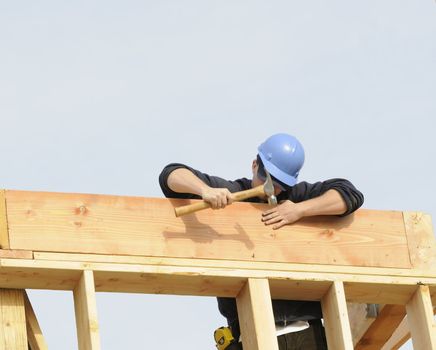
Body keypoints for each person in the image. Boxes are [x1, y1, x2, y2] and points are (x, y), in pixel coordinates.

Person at [159, 133, 364, 350]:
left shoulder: (297, 196)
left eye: (280, 184)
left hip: (305, 333)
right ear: (255, 165)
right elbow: (170, 175)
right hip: (248, 334)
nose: (273, 189)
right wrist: (205, 191)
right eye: (267, 179)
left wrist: (300, 210)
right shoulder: (235, 193)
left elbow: (349, 194)